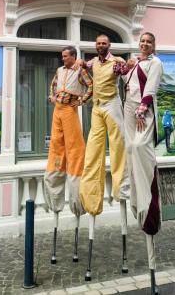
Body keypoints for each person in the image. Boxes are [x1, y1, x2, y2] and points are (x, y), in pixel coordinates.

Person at [117, 32, 164, 278]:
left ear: (154, 45)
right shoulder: (136, 62)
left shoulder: (156, 63)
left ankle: (148, 199)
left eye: (149, 42)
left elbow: (151, 88)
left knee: (139, 147)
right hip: (127, 107)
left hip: (141, 110)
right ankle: (131, 184)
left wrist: (143, 109)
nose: (145, 44)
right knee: (128, 147)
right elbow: (124, 77)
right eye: (142, 41)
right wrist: (120, 66)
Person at [75, 34, 129, 216]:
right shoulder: (94, 62)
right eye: (98, 43)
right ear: (95, 45)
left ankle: (121, 189)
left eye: (103, 43)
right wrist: (81, 62)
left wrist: (130, 65)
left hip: (112, 105)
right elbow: (86, 65)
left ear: (109, 45)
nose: (100, 45)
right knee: (93, 148)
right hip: (97, 107)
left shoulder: (116, 61)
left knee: (117, 145)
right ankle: (91, 198)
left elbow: (125, 71)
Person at [44, 46, 93, 218]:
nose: (63, 58)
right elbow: (53, 84)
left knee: (74, 147)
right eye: (62, 56)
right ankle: (55, 196)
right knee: (57, 146)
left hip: (69, 110)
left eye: (65, 56)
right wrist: (52, 96)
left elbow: (91, 86)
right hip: (58, 109)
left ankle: (77, 197)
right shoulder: (59, 70)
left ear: (73, 56)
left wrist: (81, 101)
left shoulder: (80, 70)